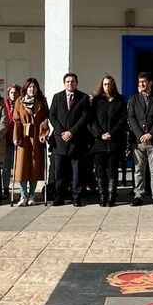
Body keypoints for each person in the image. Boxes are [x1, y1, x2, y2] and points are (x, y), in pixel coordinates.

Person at [49, 73, 91, 207]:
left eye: (72, 81)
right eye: (67, 81)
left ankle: (76, 197)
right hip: (60, 141)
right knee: (59, 171)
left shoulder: (83, 98)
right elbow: (52, 115)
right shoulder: (57, 97)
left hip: (76, 140)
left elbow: (85, 117)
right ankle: (59, 196)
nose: (70, 83)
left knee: (77, 171)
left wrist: (71, 132)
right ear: (64, 83)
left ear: (77, 83)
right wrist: (61, 132)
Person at [127, 72, 153, 207]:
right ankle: (138, 196)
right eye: (139, 82)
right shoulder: (133, 99)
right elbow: (131, 118)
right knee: (139, 170)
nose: (141, 84)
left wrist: (150, 134)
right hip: (138, 142)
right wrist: (140, 135)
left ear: (150, 83)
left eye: (144, 81)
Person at [89, 75, 127, 207]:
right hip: (99, 142)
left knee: (112, 170)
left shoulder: (120, 100)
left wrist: (112, 133)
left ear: (113, 85)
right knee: (100, 170)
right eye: (105, 84)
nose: (107, 87)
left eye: (109, 84)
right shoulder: (97, 100)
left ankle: (111, 196)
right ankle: (102, 195)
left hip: (114, 141)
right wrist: (100, 134)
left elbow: (123, 119)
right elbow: (92, 119)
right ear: (102, 85)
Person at [13, 78, 50, 206]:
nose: (32, 89)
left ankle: (32, 195)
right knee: (22, 166)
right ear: (25, 88)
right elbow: (16, 120)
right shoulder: (19, 101)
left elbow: (45, 119)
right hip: (23, 137)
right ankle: (23, 194)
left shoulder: (42, 101)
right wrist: (16, 137)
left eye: (34, 87)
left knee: (35, 166)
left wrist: (43, 133)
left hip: (36, 137)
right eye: (30, 87)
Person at [2, 84, 20, 200]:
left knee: (19, 166)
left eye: (15, 92)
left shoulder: (22, 103)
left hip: (19, 138)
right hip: (6, 139)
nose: (13, 95)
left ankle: (22, 189)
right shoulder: (3, 104)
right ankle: (5, 188)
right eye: (11, 93)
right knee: (6, 166)